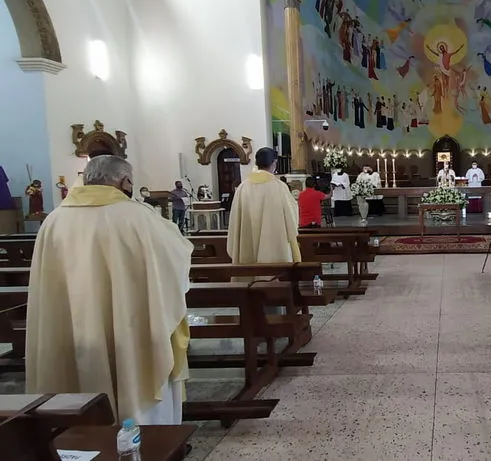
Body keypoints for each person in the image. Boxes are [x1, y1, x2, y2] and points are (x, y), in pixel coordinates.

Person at [26, 155, 193, 424]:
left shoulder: (55, 220)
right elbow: (176, 258)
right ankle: (143, 438)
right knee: (134, 374)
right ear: (125, 181)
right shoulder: (138, 216)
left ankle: (77, 434)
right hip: (130, 331)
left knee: (79, 371)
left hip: (75, 331)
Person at [227, 147, 301, 264]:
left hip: (247, 247)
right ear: (274, 163)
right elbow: (291, 219)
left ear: (256, 163)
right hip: (275, 249)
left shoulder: (242, 188)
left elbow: (234, 220)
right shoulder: (280, 187)